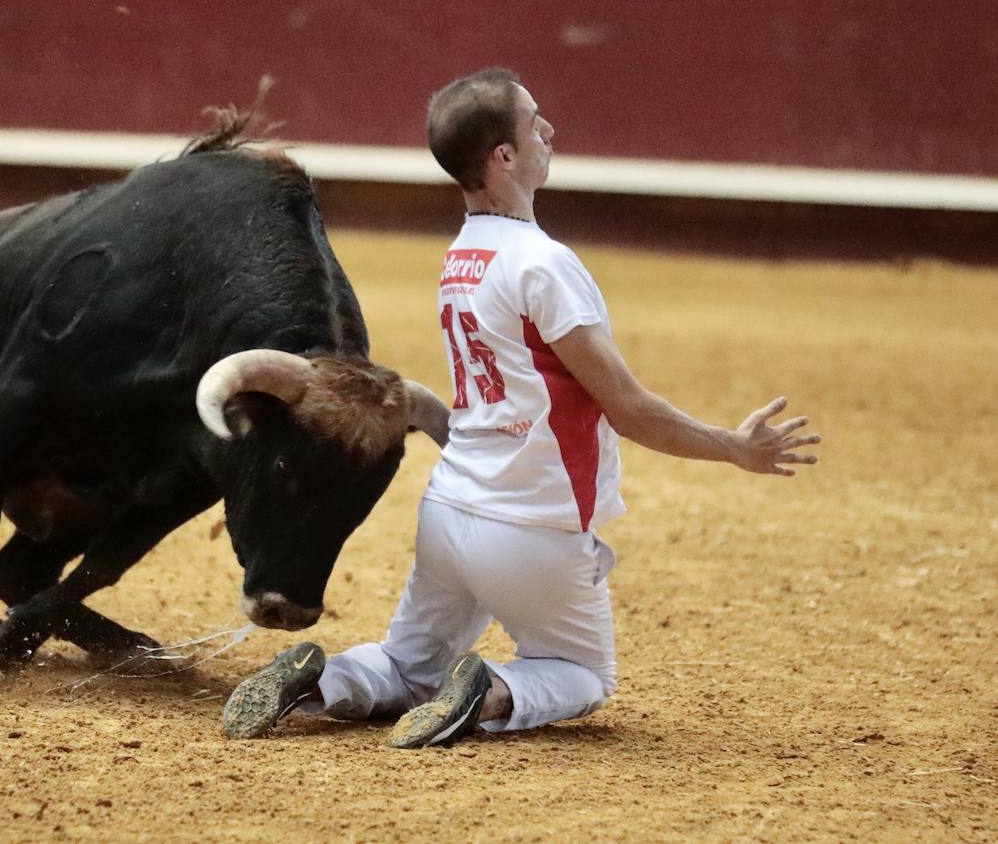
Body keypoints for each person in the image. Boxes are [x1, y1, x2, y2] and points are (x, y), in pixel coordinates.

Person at [221, 67, 821, 748]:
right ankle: (495, 689)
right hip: (533, 524)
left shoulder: (461, 256)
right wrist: (733, 448)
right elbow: (626, 407)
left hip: (449, 512)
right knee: (583, 673)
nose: (549, 131)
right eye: (535, 121)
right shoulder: (544, 264)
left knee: (407, 665)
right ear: (504, 156)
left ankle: (323, 682)